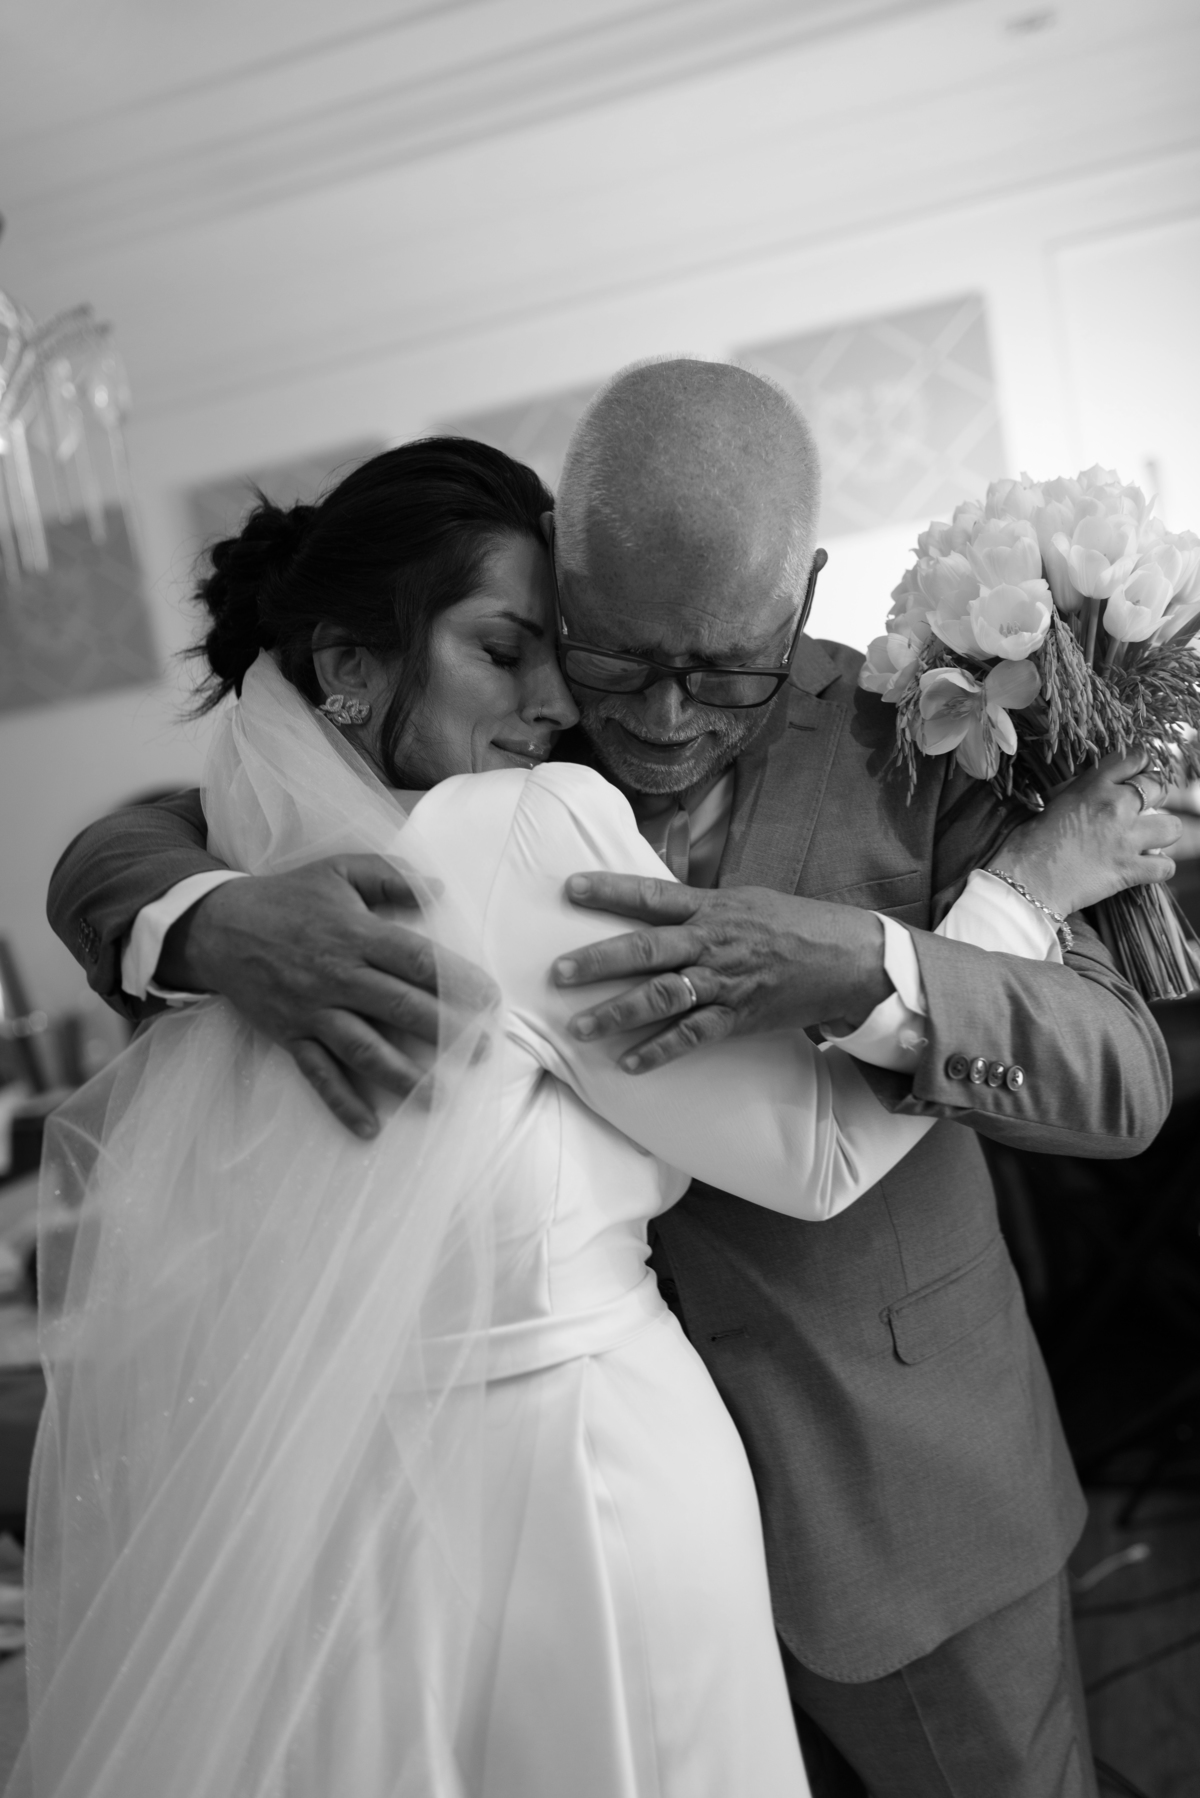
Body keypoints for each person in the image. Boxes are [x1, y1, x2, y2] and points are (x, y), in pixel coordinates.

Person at [46, 371, 1179, 1797]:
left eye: (721, 671)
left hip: (900, 1500)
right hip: (561, 1529)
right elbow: (139, 838)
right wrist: (210, 916)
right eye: (619, 657)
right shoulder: (509, 722)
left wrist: (878, 962)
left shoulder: (920, 730)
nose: (659, 713)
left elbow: (1122, 1072)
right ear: (567, 579)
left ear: (802, 595)